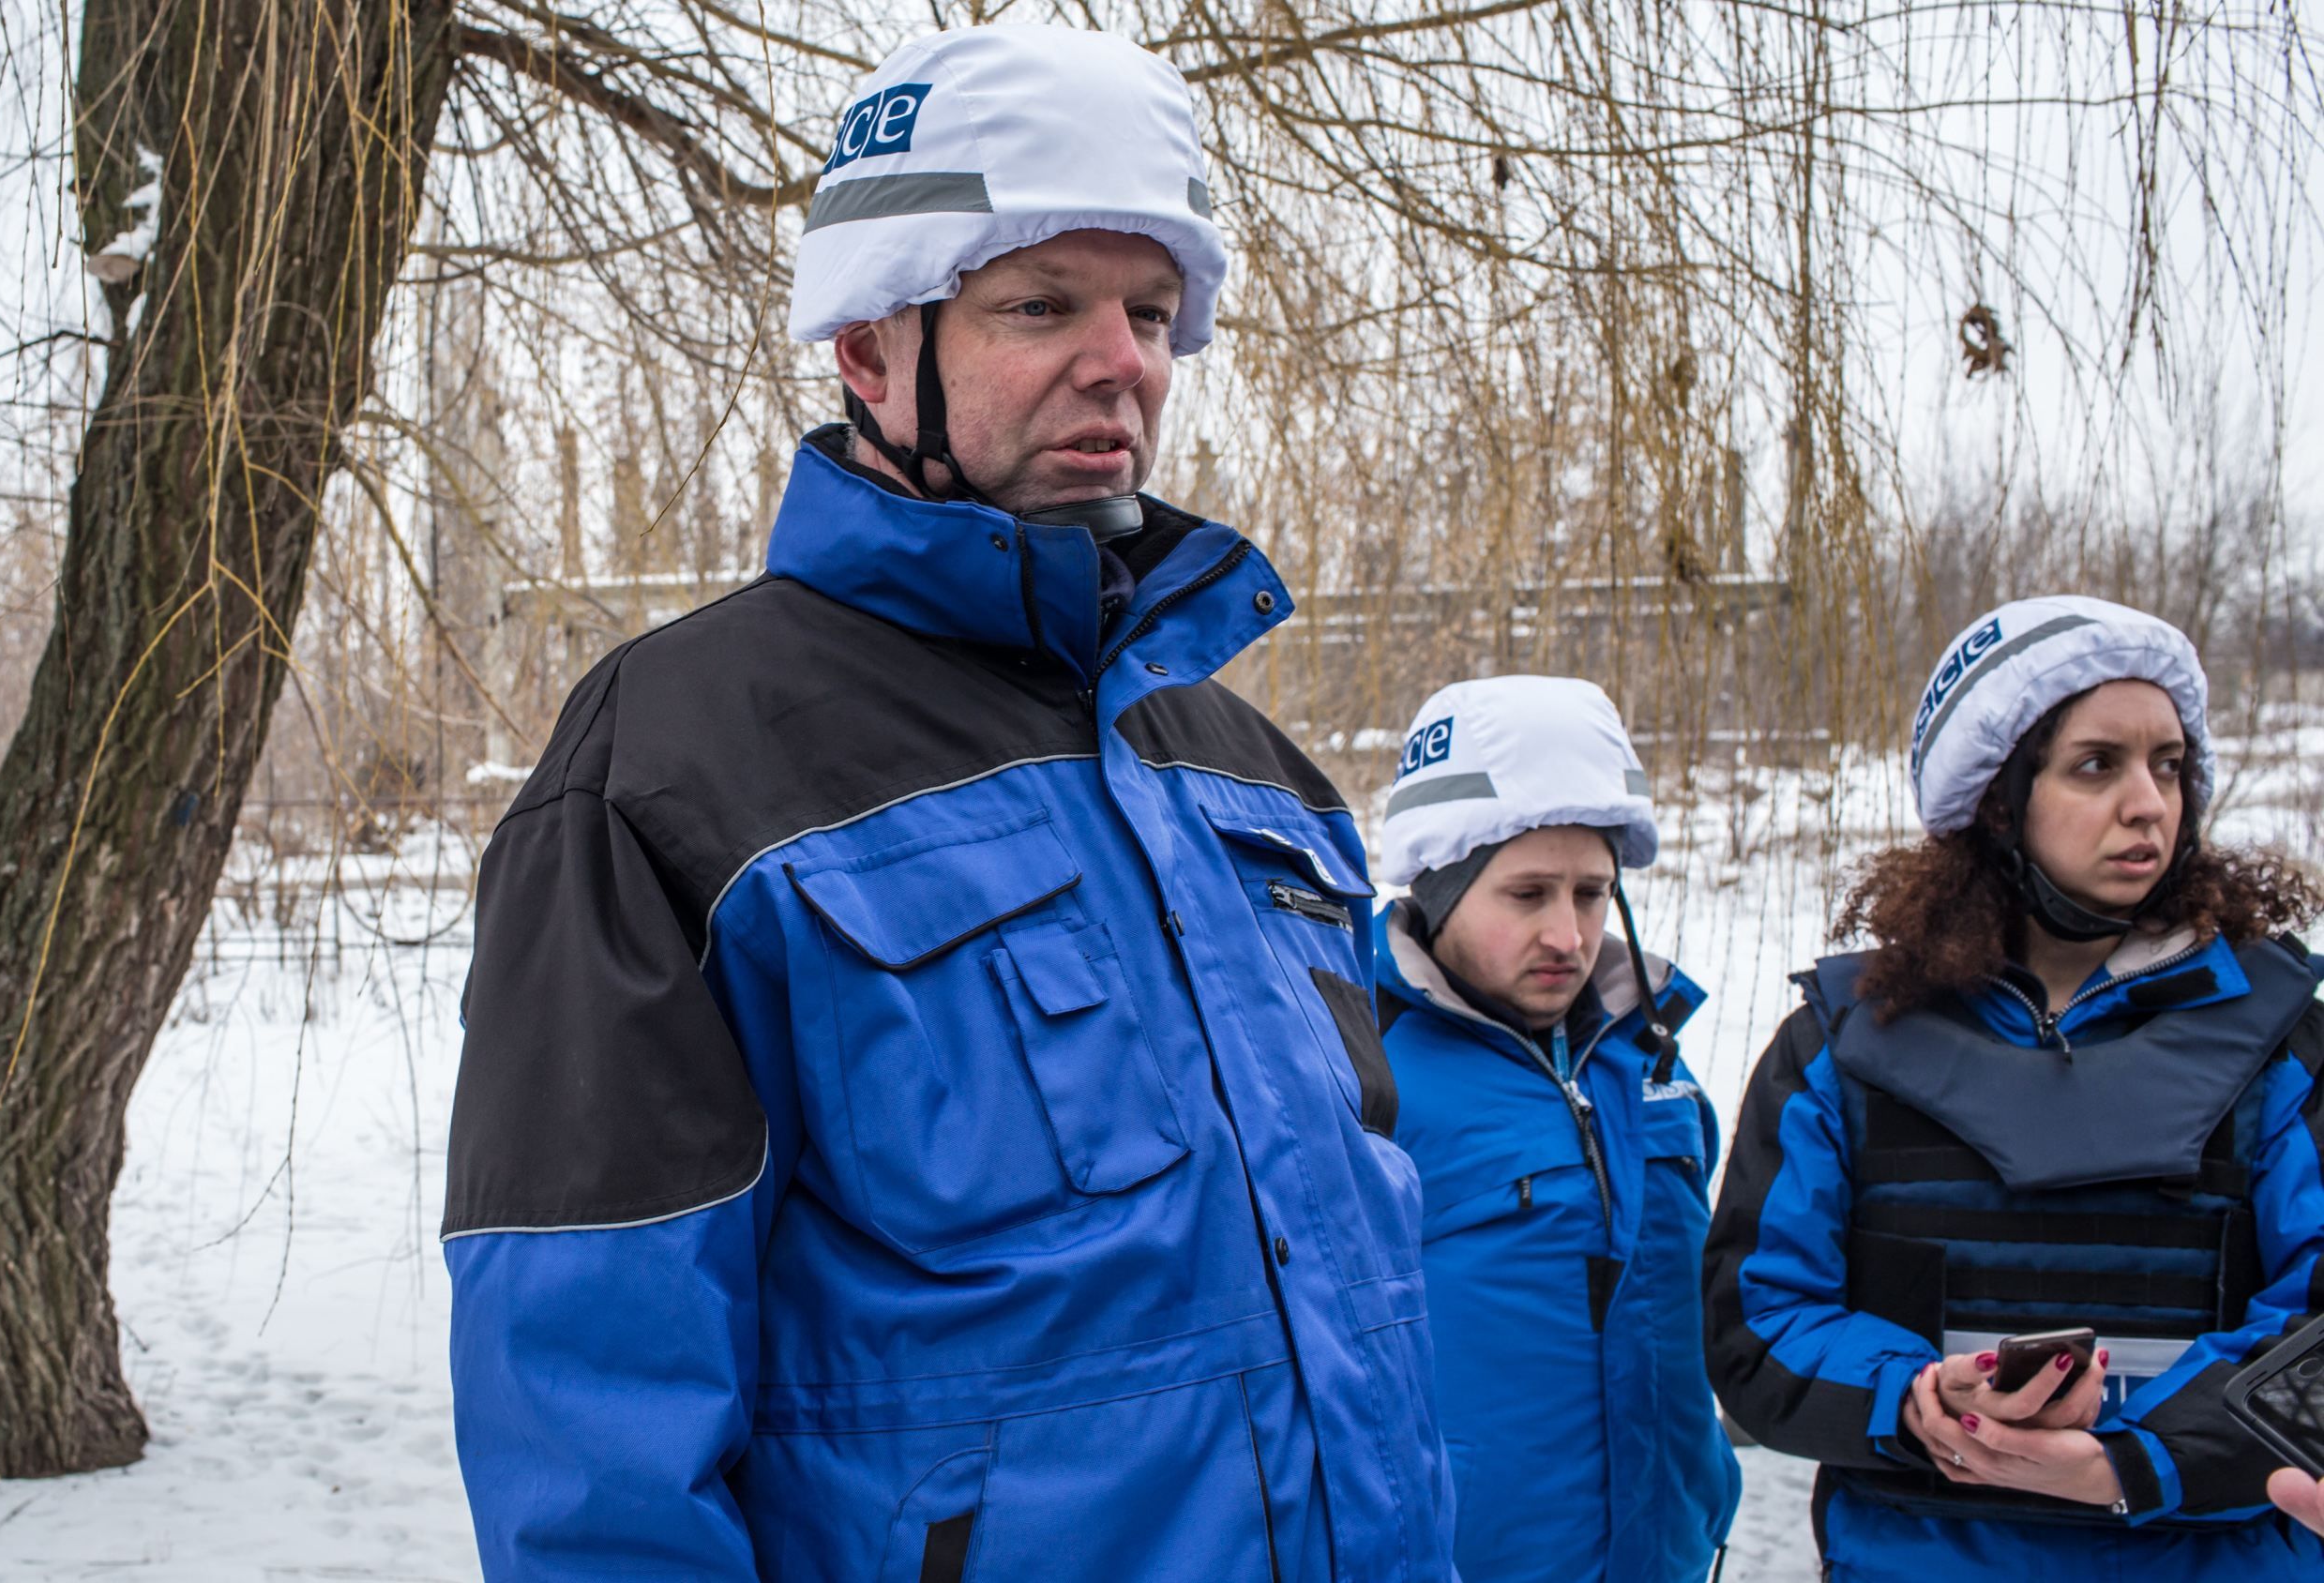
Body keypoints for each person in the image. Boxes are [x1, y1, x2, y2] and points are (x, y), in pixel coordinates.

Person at [440, 24, 1456, 1580]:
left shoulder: (1252, 773)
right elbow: (593, 1428)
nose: (1121, 359)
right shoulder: (674, 767)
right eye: (1040, 304)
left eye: (1151, 310)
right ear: (869, 350)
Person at [1705, 595, 2324, 1579]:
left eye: (2169, 764)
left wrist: (2128, 1457)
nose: (2148, 803)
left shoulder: (2289, 1039)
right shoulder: (1841, 1046)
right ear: (1998, 798)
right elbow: (1759, 1324)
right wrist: (1916, 1398)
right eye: (2096, 764)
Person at [1370, 677, 1742, 1583]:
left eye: (1590, 893)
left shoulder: (1649, 1057)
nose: (1568, 937)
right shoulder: (1359, 1075)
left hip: (1666, 1557)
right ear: (1443, 888)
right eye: (1528, 893)